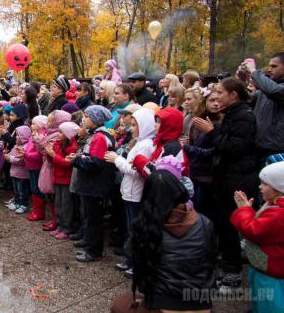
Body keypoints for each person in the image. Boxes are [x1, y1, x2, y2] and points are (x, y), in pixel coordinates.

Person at [110, 170, 215, 313]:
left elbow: (130, 252)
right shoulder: (205, 222)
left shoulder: (145, 226)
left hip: (164, 304)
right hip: (201, 303)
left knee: (120, 304)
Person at [193, 77, 258, 291]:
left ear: (233, 95)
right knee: (223, 225)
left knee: (230, 227)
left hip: (236, 180)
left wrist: (211, 132)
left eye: (220, 92)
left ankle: (233, 278)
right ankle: (228, 270)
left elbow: (233, 148)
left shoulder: (244, 118)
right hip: (225, 178)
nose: (216, 96)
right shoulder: (231, 114)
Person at [105, 108, 156, 277]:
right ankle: (129, 259)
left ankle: (136, 263)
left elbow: (136, 170)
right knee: (130, 227)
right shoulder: (139, 142)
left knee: (136, 229)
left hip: (136, 192)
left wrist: (117, 159)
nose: (131, 128)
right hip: (129, 191)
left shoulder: (146, 145)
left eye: (135, 125)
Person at [231, 161, 284, 313]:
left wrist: (244, 210)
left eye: (265, 184)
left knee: (270, 304)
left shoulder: (279, 213)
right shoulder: (274, 204)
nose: (260, 187)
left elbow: (253, 230)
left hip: (271, 271)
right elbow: (267, 229)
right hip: (269, 266)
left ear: (279, 188)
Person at [69, 105, 116, 262]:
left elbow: (95, 163)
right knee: (88, 216)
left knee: (93, 217)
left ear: (95, 120)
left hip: (94, 185)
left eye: (87, 117)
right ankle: (88, 241)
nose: (83, 120)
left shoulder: (99, 137)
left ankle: (93, 250)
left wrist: (76, 160)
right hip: (90, 184)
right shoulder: (94, 135)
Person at [183, 87, 221, 217]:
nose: (216, 103)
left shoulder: (222, 123)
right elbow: (191, 142)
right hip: (195, 173)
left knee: (207, 213)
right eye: (212, 100)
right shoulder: (197, 121)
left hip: (209, 176)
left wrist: (189, 148)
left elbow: (216, 151)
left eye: (218, 100)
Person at [242, 55, 284, 170]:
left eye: (274, 66)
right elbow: (246, 98)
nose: (269, 70)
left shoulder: (273, 89)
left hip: (277, 151)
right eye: (269, 66)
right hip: (258, 148)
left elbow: (273, 90)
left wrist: (253, 71)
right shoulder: (265, 90)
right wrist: (242, 78)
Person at [33, 110, 72, 231]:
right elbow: (42, 151)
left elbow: (49, 151)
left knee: (54, 195)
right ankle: (55, 219)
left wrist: (40, 141)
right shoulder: (50, 134)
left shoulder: (57, 135)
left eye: (51, 120)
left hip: (52, 167)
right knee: (49, 195)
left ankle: (58, 221)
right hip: (47, 165)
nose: (47, 122)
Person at [46, 121, 79, 240]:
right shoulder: (58, 144)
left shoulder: (72, 147)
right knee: (58, 204)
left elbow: (67, 164)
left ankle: (67, 228)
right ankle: (60, 226)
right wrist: (48, 153)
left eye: (60, 132)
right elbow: (52, 161)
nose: (58, 134)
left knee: (66, 206)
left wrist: (53, 155)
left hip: (66, 180)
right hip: (57, 178)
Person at [4, 125, 32, 214]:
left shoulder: (26, 147)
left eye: (18, 135)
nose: (16, 137)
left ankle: (23, 205)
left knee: (22, 191)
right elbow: (12, 154)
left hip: (22, 174)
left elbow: (21, 161)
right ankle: (17, 202)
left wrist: (9, 158)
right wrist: (7, 155)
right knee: (16, 191)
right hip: (15, 173)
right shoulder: (16, 145)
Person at [25, 115, 47, 221]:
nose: (31, 125)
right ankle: (36, 210)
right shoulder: (34, 134)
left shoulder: (41, 135)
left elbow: (39, 154)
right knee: (34, 188)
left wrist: (26, 155)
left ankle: (39, 212)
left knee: (36, 189)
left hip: (36, 165)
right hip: (31, 164)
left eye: (34, 123)